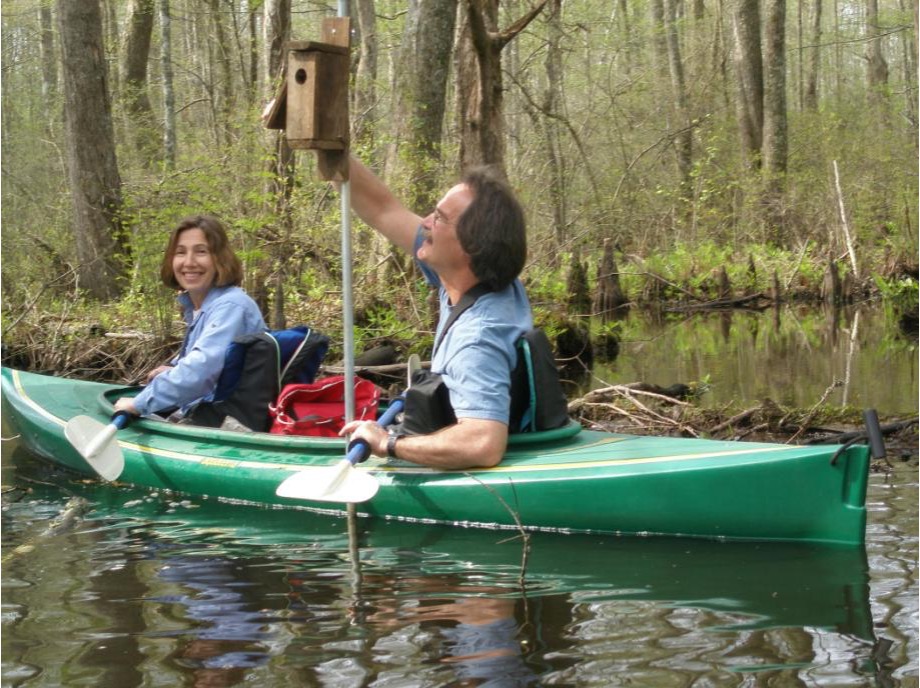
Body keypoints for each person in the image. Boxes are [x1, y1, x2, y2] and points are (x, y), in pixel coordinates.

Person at [340, 157, 532, 469]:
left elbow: (483, 443)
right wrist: (328, 146)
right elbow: (382, 208)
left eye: (439, 219)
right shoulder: (480, 280)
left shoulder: (477, 338)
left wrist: (387, 443)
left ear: (469, 247)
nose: (426, 222)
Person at [114, 215, 266, 420]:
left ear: (219, 258)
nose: (189, 262)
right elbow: (207, 355)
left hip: (225, 422)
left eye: (201, 251)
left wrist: (138, 404)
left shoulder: (232, 306)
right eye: (180, 252)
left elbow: (200, 373)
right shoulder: (201, 306)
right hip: (203, 412)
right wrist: (174, 368)